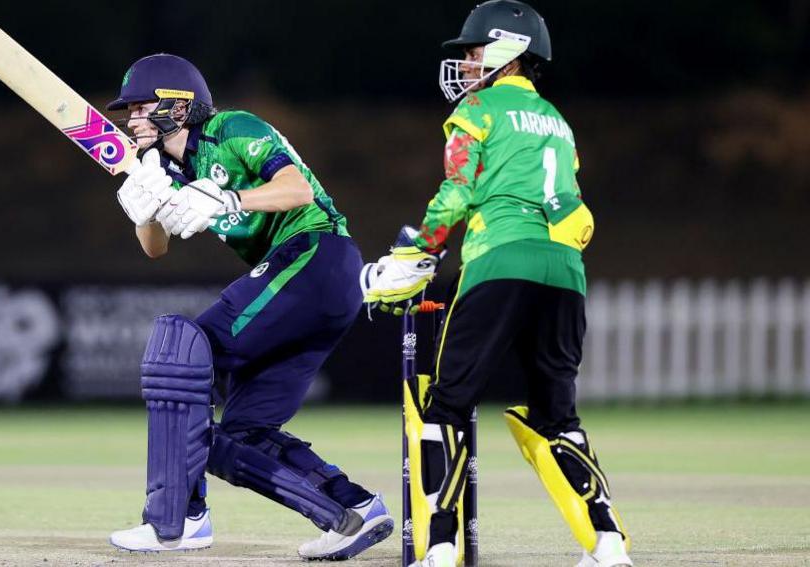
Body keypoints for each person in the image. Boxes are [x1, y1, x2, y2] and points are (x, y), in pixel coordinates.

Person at [360, 2, 632, 566]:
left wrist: (422, 249)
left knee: (449, 406)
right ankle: (607, 542)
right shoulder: (557, 119)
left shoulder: (478, 109)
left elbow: (458, 189)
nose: (465, 61)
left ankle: (440, 547)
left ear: (510, 50)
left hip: (498, 262)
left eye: (474, 50)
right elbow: (574, 209)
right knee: (558, 414)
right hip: (565, 270)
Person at [104, 53, 392, 561]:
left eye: (143, 106)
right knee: (240, 436)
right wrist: (143, 210)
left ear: (180, 103)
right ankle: (352, 510)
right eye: (129, 110)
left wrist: (227, 199)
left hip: (315, 255)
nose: (132, 118)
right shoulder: (164, 166)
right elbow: (155, 248)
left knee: (183, 353)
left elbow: (297, 188)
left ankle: (178, 519)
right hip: (311, 288)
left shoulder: (231, 127)